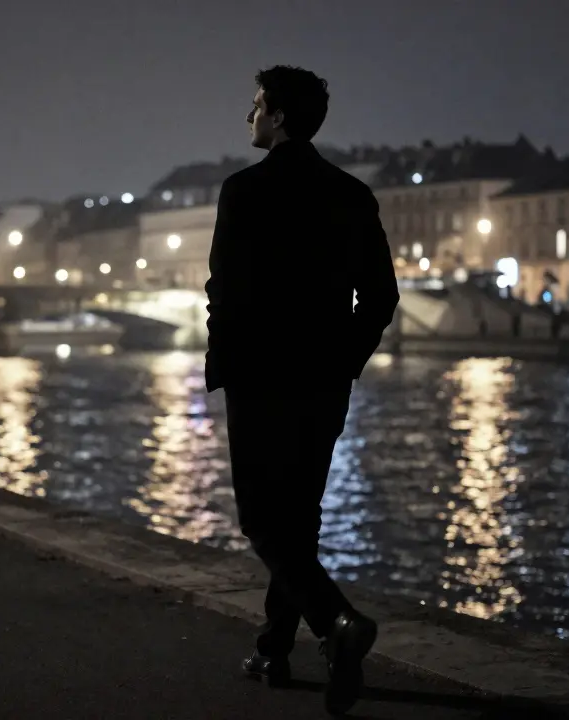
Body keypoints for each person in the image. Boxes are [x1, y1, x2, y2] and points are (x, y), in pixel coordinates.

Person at [204, 66, 399, 716]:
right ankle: (272, 649)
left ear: (280, 116)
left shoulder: (243, 191)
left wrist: (224, 362)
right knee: (299, 519)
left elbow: (222, 293)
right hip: (321, 382)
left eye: (257, 105)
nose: (249, 116)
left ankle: (338, 623)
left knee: (262, 521)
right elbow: (380, 298)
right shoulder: (350, 193)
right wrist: (343, 361)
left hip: (260, 380)